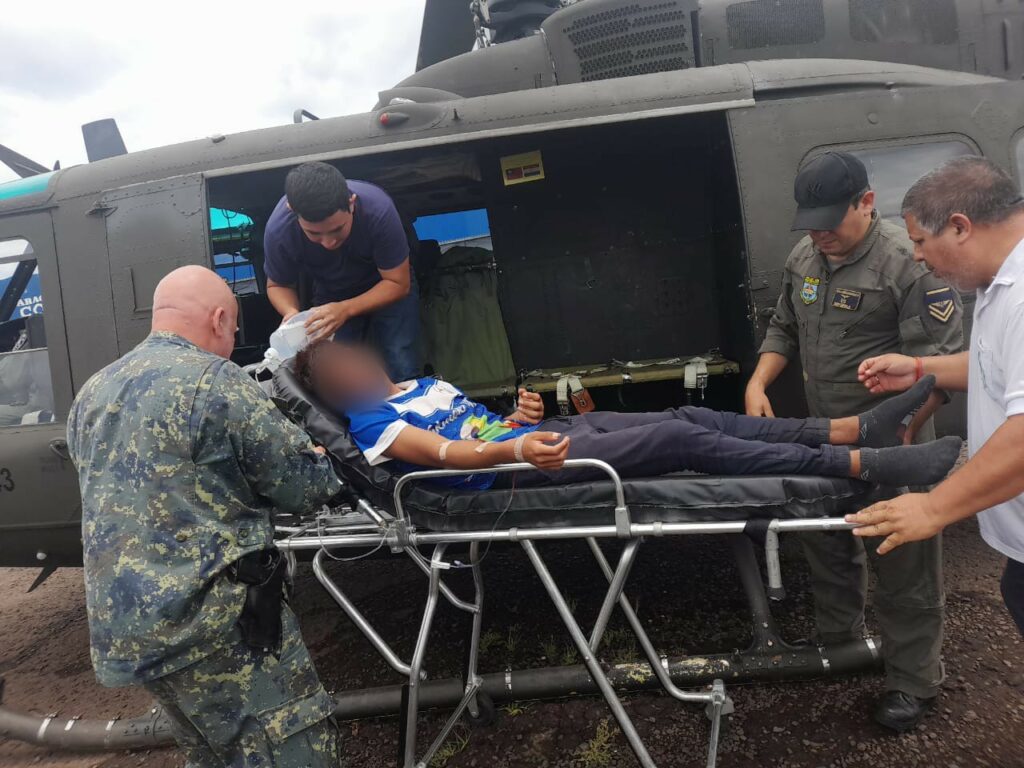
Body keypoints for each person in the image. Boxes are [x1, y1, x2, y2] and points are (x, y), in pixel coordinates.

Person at [66, 266, 344, 767]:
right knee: (290, 748)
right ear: (219, 319)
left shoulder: (91, 393)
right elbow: (306, 487)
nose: (231, 340)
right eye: (234, 329)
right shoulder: (217, 383)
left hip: (132, 633)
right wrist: (318, 455)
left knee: (213, 755)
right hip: (216, 627)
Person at [744, 151, 965, 731]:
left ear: (865, 203)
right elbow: (783, 327)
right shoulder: (806, 256)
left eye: (830, 222)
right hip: (827, 437)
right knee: (829, 543)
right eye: (810, 223)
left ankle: (913, 681)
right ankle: (841, 646)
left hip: (895, 443)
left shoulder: (905, 266)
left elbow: (940, 370)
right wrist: (759, 381)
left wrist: (899, 437)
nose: (820, 235)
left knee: (903, 559)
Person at [294, 339, 961, 491]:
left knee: (680, 413)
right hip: (518, 472)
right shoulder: (372, 426)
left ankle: (851, 428)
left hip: (540, 437)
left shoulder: (420, 383)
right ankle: (862, 464)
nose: (360, 368)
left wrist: (515, 415)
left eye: (355, 357)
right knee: (677, 437)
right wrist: (513, 450)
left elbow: (478, 423)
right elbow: (445, 456)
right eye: (343, 374)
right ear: (340, 393)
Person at [850, 156, 1024, 639]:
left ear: (960, 226)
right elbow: (1000, 365)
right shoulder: (999, 283)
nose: (919, 257)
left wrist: (932, 507)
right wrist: (922, 368)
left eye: (922, 242)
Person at [263, 161, 420, 381]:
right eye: (314, 234)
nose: (328, 242)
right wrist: (291, 313)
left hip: (387, 287)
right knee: (334, 371)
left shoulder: (379, 210)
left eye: (337, 229)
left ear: (352, 203)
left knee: (399, 358)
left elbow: (398, 283)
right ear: (292, 210)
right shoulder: (279, 230)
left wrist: (345, 309)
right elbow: (278, 284)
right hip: (330, 294)